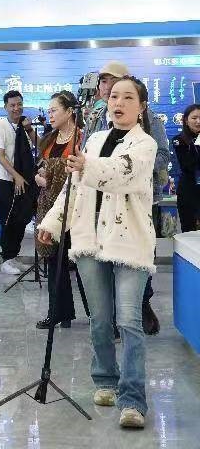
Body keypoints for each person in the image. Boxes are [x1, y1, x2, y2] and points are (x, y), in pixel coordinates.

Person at [38, 76, 156, 429]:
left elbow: (122, 175)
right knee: (100, 319)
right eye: (114, 96)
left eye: (128, 97)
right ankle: (105, 378)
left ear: (141, 107)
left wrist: (86, 166)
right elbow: (72, 189)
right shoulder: (94, 139)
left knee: (129, 320)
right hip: (89, 239)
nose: (118, 103)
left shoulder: (145, 144)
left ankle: (132, 400)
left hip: (129, 243)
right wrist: (53, 221)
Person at [86, 61, 167, 336]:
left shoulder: (150, 119)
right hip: (101, 204)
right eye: (103, 81)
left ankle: (140, 307)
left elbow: (161, 156)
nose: (106, 86)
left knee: (136, 261)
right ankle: (111, 320)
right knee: (103, 265)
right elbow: (87, 159)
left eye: (111, 80)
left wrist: (130, 169)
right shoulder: (96, 118)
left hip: (137, 202)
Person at [34, 91, 82, 329]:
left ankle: (99, 316)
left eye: (54, 110)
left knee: (82, 263)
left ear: (70, 111)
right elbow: (43, 169)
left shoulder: (82, 138)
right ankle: (59, 312)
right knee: (54, 262)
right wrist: (41, 177)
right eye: (49, 111)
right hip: (49, 206)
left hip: (75, 209)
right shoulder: (49, 140)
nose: (50, 115)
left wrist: (50, 179)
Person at [0, 90, 38, 275]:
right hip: (8, 181)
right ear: (6, 107)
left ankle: (14, 256)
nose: (16, 108)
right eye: (12, 105)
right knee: (9, 220)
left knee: (22, 218)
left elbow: (40, 146)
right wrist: (16, 176)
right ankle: (6, 259)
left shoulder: (25, 125)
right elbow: (0, 157)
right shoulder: (1, 126)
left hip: (25, 180)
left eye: (19, 104)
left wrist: (29, 129)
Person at [173, 104, 200, 232]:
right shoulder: (179, 140)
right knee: (189, 232)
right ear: (186, 120)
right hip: (189, 192)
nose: (198, 121)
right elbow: (188, 165)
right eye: (194, 118)